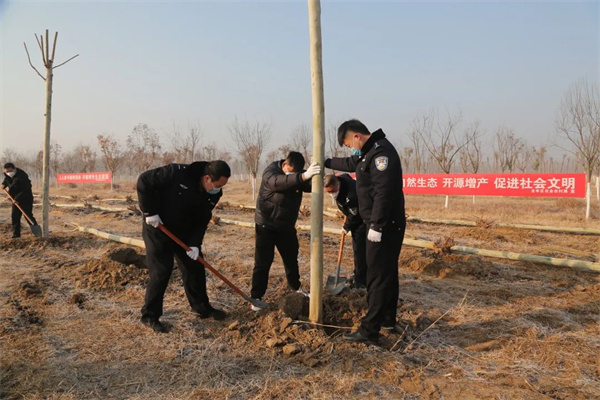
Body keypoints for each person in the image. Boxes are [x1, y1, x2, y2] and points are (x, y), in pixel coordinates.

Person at [325, 119, 405, 344]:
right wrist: (325, 161)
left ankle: (369, 330)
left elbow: (383, 192)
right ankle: (388, 320)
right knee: (387, 273)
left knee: (376, 276)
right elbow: (350, 162)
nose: (350, 148)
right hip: (384, 223)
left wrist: (377, 225)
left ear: (357, 137)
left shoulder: (381, 154)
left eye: (348, 143)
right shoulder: (368, 152)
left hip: (383, 226)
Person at [136, 160, 231, 333]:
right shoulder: (176, 173)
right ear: (207, 178)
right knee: (161, 271)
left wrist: (195, 244)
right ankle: (150, 316)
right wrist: (149, 211)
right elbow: (144, 180)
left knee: (195, 267)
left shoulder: (214, 194)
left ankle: (202, 308)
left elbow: (202, 219)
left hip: (184, 232)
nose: (218, 190)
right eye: (217, 185)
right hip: (158, 227)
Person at [250, 151, 321, 310]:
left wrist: (317, 172)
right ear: (284, 165)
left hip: (286, 227)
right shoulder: (271, 173)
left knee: (291, 259)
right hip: (266, 225)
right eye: (290, 172)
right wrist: (302, 176)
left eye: (296, 174)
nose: (293, 176)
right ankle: (256, 297)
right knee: (263, 262)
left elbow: (309, 185)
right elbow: (279, 182)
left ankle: (295, 286)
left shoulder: (297, 175)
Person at [323, 173, 367, 289]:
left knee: (359, 250)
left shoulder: (351, 196)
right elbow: (346, 175)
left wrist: (346, 226)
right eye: (328, 192)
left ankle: (361, 280)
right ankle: (359, 274)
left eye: (333, 191)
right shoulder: (341, 179)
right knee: (359, 251)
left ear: (338, 184)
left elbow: (355, 215)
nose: (331, 194)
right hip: (355, 214)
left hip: (363, 221)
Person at [1, 163, 38, 239]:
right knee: (15, 216)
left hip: (25, 199)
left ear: (14, 169)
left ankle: (37, 233)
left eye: (9, 171)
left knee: (28, 216)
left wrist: (17, 199)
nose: (8, 173)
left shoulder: (22, 176)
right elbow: (7, 179)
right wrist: (3, 184)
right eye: (6, 172)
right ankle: (16, 235)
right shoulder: (8, 174)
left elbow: (25, 190)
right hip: (14, 199)